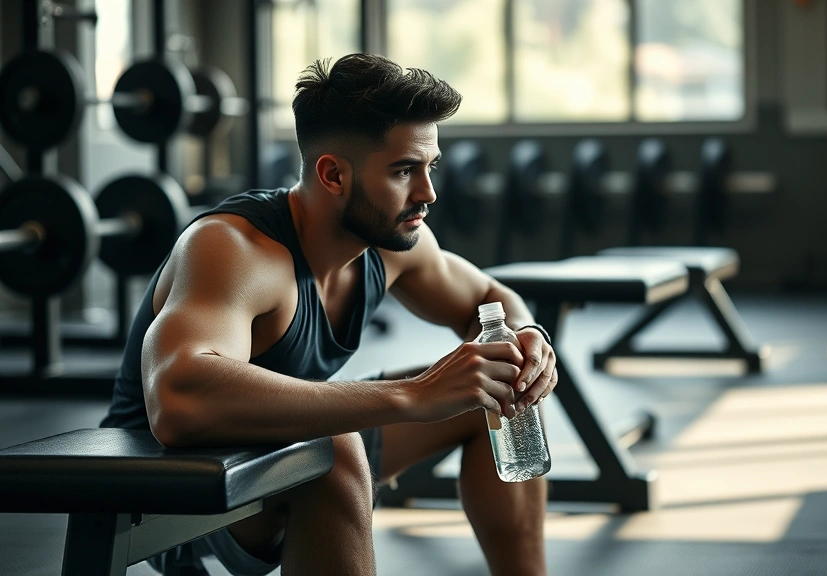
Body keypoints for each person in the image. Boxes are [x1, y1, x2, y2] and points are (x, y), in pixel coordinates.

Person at [100, 53, 557, 576]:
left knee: (494, 385)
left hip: (282, 451)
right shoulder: (234, 248)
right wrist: (415, 395)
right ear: (333, 174)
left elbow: (489, 298)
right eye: (404, 170)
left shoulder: (393, 244)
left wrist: (526, 336)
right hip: (175, 487)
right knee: (332, 452)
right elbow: (177, 400)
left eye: (430, 167)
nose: (428, 193)